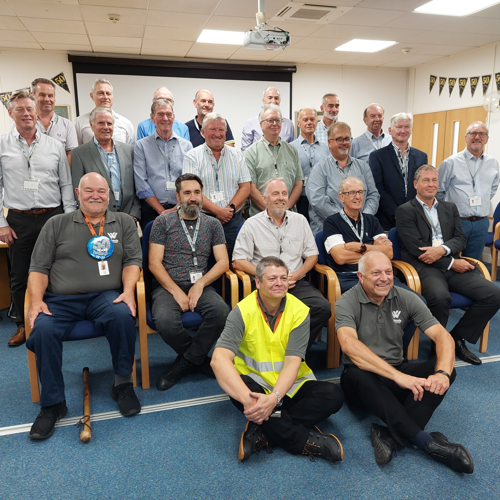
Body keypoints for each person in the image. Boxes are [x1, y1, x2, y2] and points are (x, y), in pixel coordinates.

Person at [26, 172, 142, 440]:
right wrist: (36, 301)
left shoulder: (124, 222)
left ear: (109, 194)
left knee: (122, 315)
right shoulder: (56, 223)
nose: (95, 196)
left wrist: (128, 292)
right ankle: (53, 404)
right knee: (43, 330)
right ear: (78, 194)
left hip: (105, 295)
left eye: (101, 191)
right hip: (61, 300)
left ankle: (122, 384)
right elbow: (38, 267)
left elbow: (132, 262)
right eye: (89, 190)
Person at [335, 251, 474, 473]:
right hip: (361, 380)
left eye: (388, 272)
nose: (384, 278)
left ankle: (388, 435)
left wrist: (442, 374)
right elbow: (349, 345)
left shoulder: (406, 297)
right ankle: (427, 443)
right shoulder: (346, 302)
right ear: (361, 277)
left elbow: (442, 336)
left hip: (396, 372)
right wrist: (399, 377)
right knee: (357, 374)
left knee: (445, 370)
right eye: (376, 273)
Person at [212, 256, 344, 462]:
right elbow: (218, 359)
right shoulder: (242, 311)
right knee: (236, 387)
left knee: (334, 395)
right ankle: (303, 441)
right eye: (272, 278)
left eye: (283, 278)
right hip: (256, 387)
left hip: (291, 386)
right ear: (258, 282)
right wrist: (249, 401)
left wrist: (273, 399)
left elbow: (293, 362)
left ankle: (263, 429)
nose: (279, 283)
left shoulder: (299, 311)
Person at [396, 165, 500, 366]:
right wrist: (451, 261)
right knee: (440, 297)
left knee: (494, 294)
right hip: (424, 268)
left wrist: (442, 250)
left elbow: (461, 239)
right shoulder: (405, 210)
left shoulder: (449, 207)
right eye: (426, 180)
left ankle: (456, 338)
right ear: (415, 184)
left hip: (451, 265)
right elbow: (417, 249)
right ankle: (438, 346)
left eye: (434, 180)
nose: (431, 184)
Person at [0, 90, 76, 348]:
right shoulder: (2, 145)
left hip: (52, 217)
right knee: (20, 274)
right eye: (20, 109)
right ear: (10, 113)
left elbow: (66, 184)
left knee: (58, 269)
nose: (26, 114)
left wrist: (69, 218)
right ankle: (23, 324)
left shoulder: (54, 146)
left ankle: (56, 318)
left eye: (29, 109)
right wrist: (1, 224)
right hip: (18, 220)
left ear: (36, 112)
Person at [148, 173, 230, 391]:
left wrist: (200, 284)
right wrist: (176, 291)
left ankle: (184, 364)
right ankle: (198, 358)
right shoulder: (162, 222)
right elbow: (154, 263)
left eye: (197, 192)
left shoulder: (213, 224)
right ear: (178, 197)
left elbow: (223, 262)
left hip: (201, 284)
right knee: (165, 321)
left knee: (221, 312)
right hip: (168, 285)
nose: (192, 198)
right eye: (187, 193)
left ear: (202, 196)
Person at [233, 178, 331, 351]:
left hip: (295, 282)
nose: (281, 198)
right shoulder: (251, 224)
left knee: (322, 308)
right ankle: (275, 352)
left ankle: (291, 352)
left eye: (284, 193)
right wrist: (267, 276)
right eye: (275, 194)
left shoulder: (300, 221)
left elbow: (312, 255)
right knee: (266, 313)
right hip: (265, 285)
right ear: (265, 199)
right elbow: (238, 261)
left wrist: (297, 274)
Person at [182, 112, 250, 262]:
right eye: (212, 129)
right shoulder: (192, 156)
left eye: (221, 130)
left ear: (226, 133)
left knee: (235, 261)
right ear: (203, 132)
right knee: (203, 263)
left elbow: (245, 187)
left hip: (233, 220)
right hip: (202, 219)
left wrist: (229, 209)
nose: (217, 134)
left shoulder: (237, 155)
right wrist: (217, 211)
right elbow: (191, 192)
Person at [437, 121, 499, 260]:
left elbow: (493, 188)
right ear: (466, 137)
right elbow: (439, 191)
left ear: (486, 139)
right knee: (450, 260)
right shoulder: (451, 162)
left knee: (473, 262)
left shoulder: (493, 163)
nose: (477, 137)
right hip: (456, 221)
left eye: (481, 134)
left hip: (481, 223)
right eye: (473, 133)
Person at [306, 121, 379, 236]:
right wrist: (346, 219)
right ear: (329, 143)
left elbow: (373, 195)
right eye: (339, 139)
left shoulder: (363, 167)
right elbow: (317, 201)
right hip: (330, 230)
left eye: (347, 139)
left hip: (361, 228)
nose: (344, 143)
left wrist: (364, 217)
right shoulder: (319, 169)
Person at [323, 176, 393, 293]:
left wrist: (361, 247)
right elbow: (340, 257)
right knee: (374, 296)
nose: (358, 197)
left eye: (360, 192)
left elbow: (389, 253)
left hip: (378, 276)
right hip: (348, 276)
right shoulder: (332, 222)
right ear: (341, 197)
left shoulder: (372, 220)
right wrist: (375, 250)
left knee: (413, 298)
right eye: (352, 193)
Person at [71, 107, 141, 221]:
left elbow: (136, 186)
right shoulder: (79, 153)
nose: (106, 127)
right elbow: (78, 191)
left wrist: (134, 214)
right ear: (91, 125)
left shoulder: (129, 150)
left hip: (127, 217)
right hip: (95, 218)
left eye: (109, 123)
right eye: (101, 123)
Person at [134, 99, 193, 228]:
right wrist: (162, 211)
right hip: (151, 211)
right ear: (152, 118)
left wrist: (177, 207)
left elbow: (189, 181)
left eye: (168, 114)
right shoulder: (141, 146)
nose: (165, 118)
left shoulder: (187, 146)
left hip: (181, 209)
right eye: (160, 114)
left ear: (173, 117)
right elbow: (141, 183)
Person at [369, 112, 428, 230]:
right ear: (390, 130)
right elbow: (377, 188)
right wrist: (397, 213)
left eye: (407, 127)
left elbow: (422, 185)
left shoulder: (421, 156)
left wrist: (412, 211)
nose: (403, 130)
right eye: (399, 127)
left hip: (415, 217)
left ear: (411, 130)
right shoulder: (378, 156)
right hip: (387, 219)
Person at [244, 104, 303, 217]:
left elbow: (298, 184)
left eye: (278, 120)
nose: (275, 124)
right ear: (261, 124)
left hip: (289, 215)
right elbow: (251, 188)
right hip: (261, 216)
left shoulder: (292, 151)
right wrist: (271, 211)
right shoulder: (250, 153)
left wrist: (285, 209)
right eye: (270, 120)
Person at [290, 108, 330, 221]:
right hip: (300, 199)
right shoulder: (290, 148)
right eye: (305, 120)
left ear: (317, 122)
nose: (309, 123)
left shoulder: (326, 148)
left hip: (321, 198)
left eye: (312, 119)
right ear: (299, 123)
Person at [30, 78, 78, 165]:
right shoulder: (22, 124)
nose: (47, 99)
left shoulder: (67, 125)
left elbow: (70, 154)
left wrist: (63, 172)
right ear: (32, 96)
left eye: (50, 95)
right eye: (42, 95)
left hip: (59, 173)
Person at [75, 78, 134, 146]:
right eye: (100, 93)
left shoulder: (126, 124)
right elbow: (76, 150)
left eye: (108, 94)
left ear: (112, 96)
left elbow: (130, 150)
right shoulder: (79, 123)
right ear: (92, 96)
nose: (105, 97)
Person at [241, 87, 296, 151]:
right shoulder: (251, 123)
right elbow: (245, 151)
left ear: (280, 100)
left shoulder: (289, 124)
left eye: (276, 98)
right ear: (263, 101)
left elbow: (293, 148)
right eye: (270, 98)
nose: (273, 101)